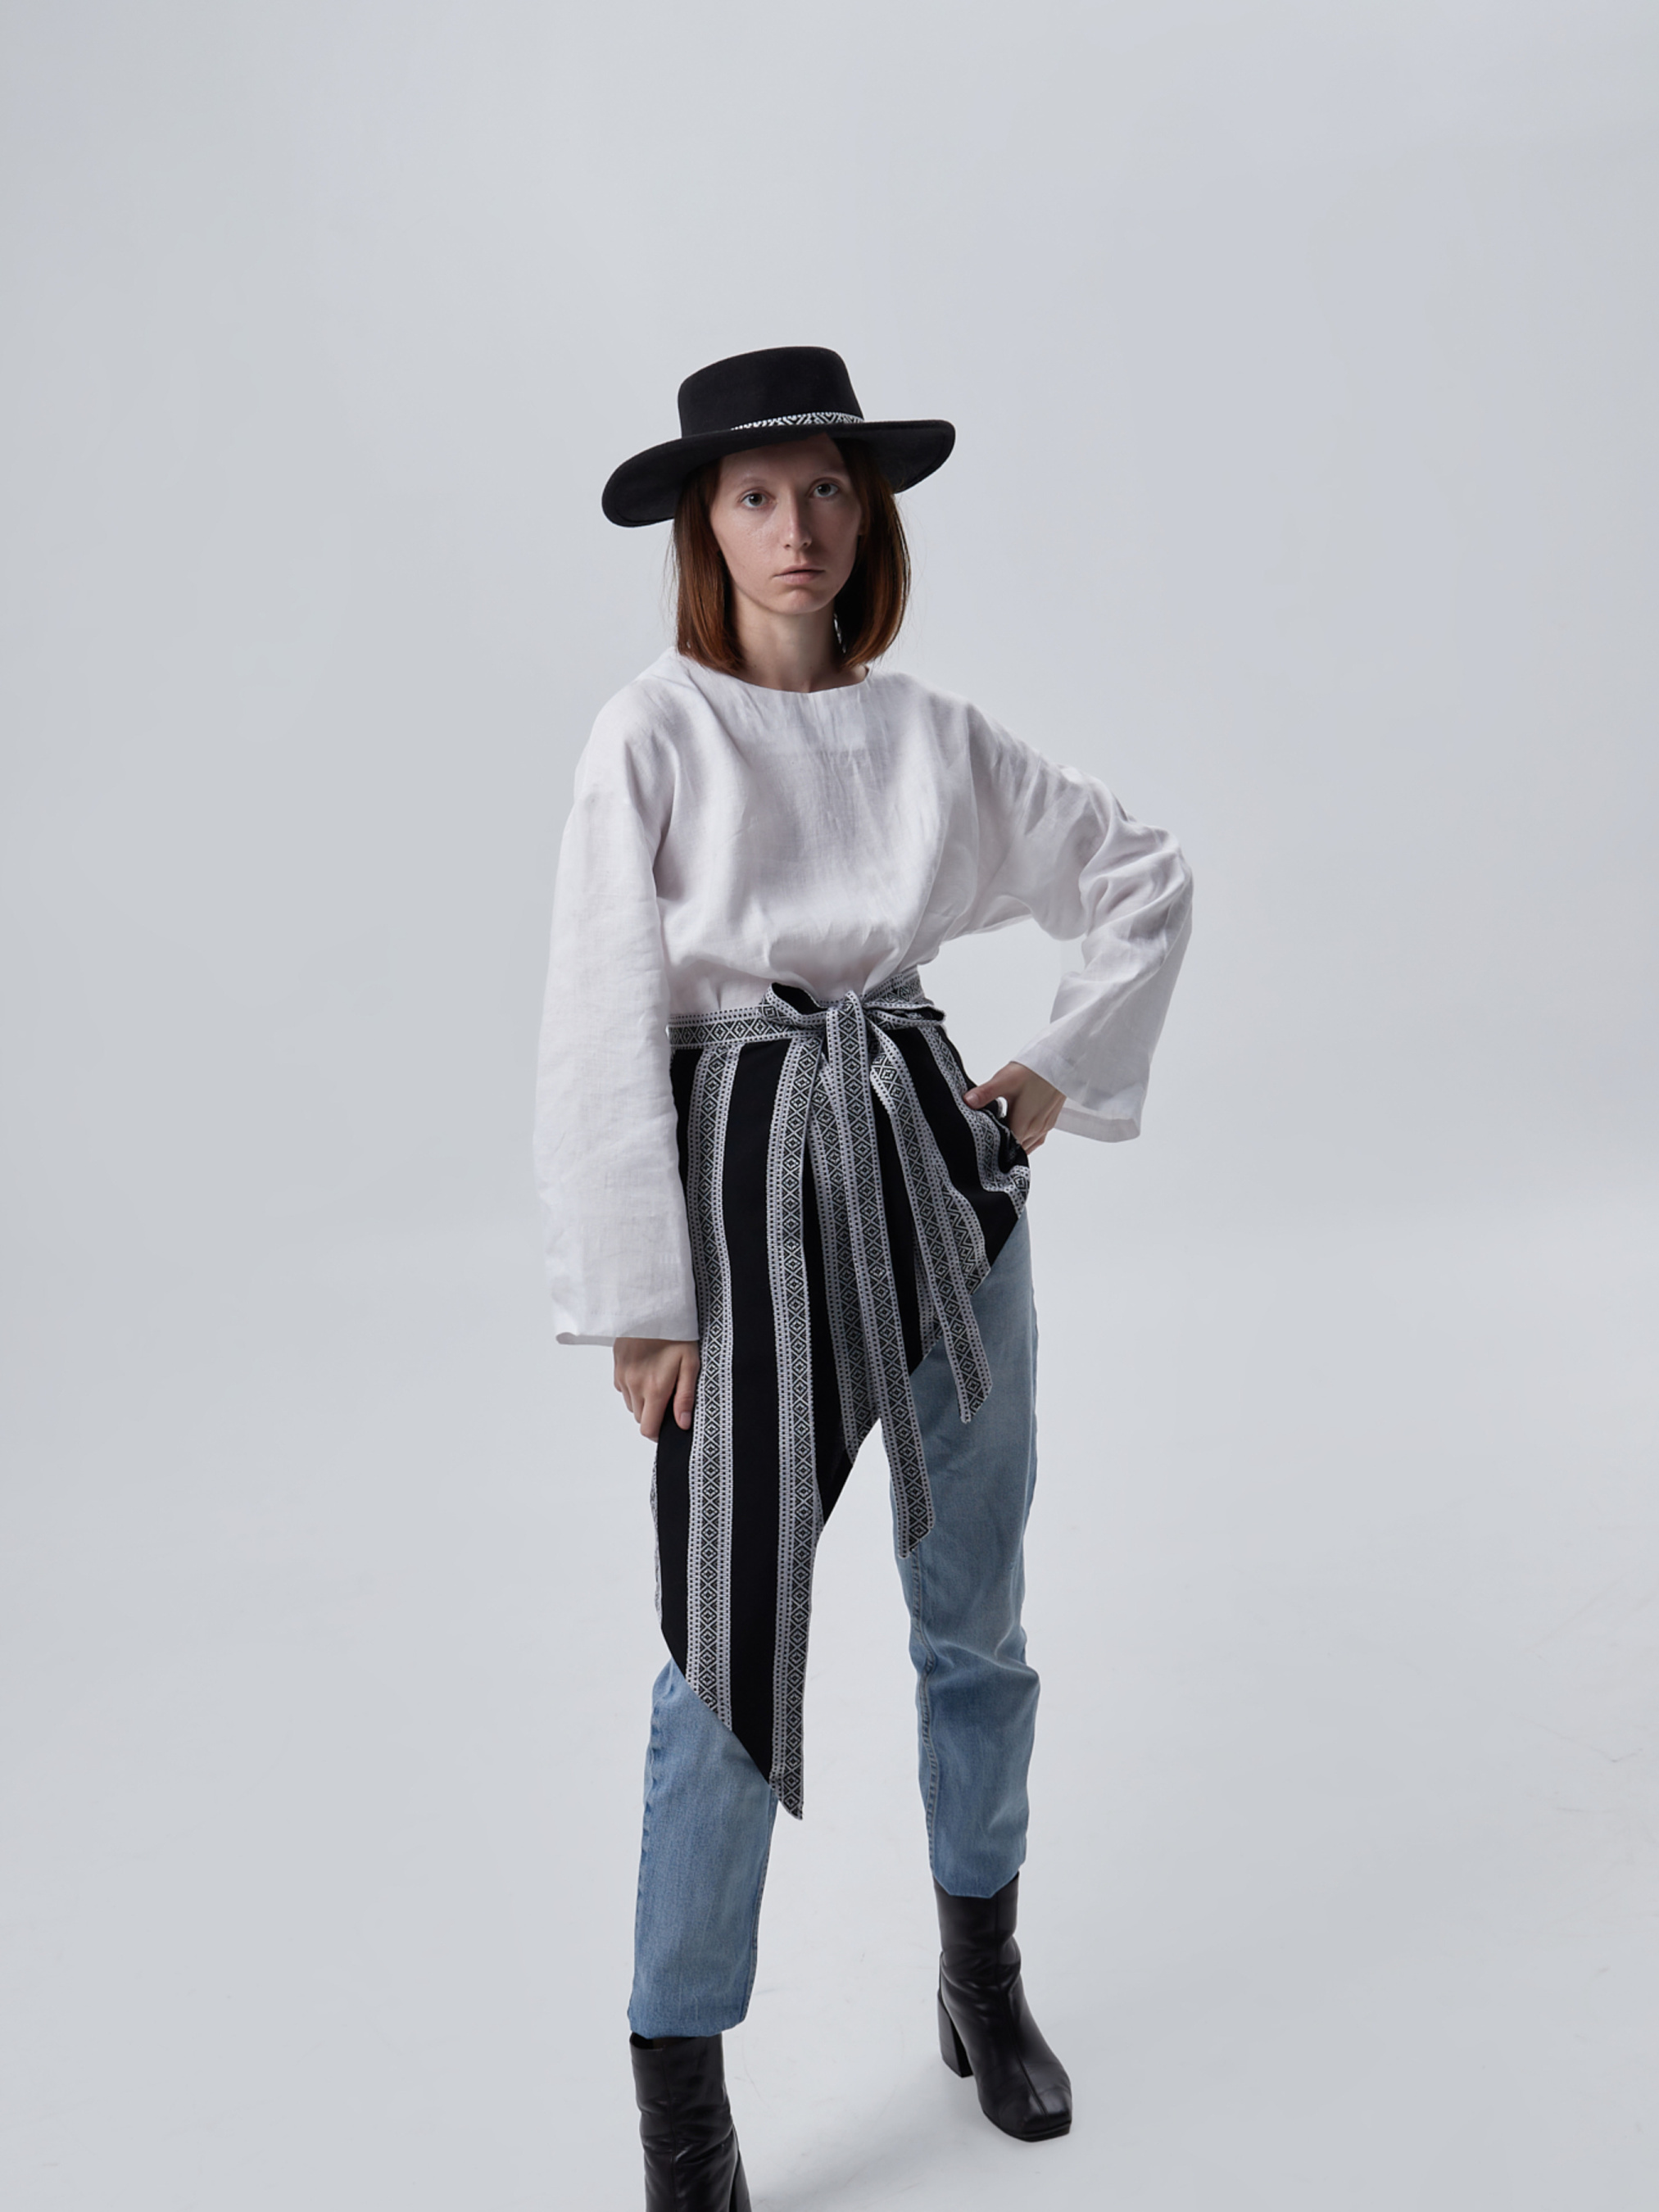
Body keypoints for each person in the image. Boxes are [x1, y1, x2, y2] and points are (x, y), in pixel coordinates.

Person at [535, 346, 1191, 2210]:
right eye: (756, 495)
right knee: (723, 1655)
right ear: (703, 525)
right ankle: (682, 2103)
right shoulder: (651, 731)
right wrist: (642, 1295)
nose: (796, 527)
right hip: (743, 1195)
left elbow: (1140, 870)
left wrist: (1046, 1074)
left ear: (866, 513)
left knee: (972, 1613)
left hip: (934, 1172)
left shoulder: (928, 735)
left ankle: (980, 1976)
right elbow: (595, 1015)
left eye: (826, 489)